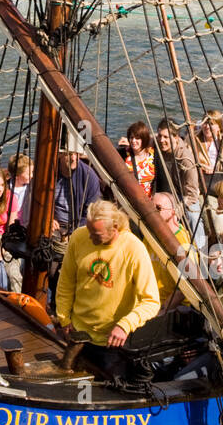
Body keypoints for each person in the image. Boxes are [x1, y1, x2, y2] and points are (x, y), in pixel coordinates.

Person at [54, 200, 160, 369]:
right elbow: (66, 282)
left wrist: (125, 325)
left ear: (115, 228)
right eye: (89, 231)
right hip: (78, 334)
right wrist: (64, 319)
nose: (90, 237)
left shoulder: (134, 249)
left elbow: (151, 302)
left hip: (113, 342)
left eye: (96, 234)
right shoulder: (79, 237)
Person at [154, 120, 205, 252]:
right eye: (160, 136)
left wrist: (176, 211)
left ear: (176, 137)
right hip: (167, 193)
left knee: (194, 216)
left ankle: (200, 250)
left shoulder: (186, 159)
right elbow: (149, 138)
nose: (161, 140)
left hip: (185, 197)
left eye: (166, 137)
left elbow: (192, 194)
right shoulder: (158, 144)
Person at [149, 192, 192, 303]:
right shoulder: (149, 233)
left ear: (172, 212)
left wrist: (163, 310)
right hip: (150, 301)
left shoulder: (182, 241)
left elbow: (185, 287)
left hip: (174, 307)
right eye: (150, 206)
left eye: (158, 208)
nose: (153, 212)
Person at [118, 121, 156, 197]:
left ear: (144, 139)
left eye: (137, 138)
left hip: (150, 199)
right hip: (131, 198)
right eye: (131, 137)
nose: (133, 141)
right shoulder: (123, 154)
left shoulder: (153, 155)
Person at [6, 152, 32, 218]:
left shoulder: (32, 188)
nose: (31, 175)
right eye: (28, 173)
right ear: (16, 175)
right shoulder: (6, 188)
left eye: (32, 172)